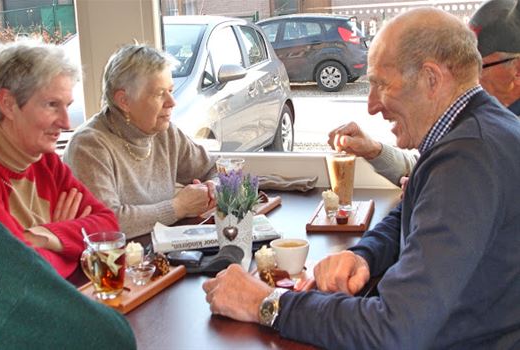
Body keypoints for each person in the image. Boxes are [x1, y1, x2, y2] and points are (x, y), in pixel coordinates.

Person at [203, 8, 520, 349]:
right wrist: (364, 256)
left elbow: (393, 330)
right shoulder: (475, 130)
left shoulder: (468, 158)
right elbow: (415, 208)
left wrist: (265, 304)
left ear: (431, 79)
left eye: (381, 84)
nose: (371, 106)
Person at [0, 41, 119, 278]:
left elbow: (108, 228)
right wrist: (75, 249)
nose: (66, 123)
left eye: (67, 106)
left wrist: (44, 235)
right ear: (8, 104)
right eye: (52, 105)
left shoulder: (44, 160)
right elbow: (21, 270)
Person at [329, 0, 520, 186]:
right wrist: (374, 151)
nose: (464, 79)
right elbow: (436, 168)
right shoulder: (480, 125)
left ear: (517, 70)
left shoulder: (483, 137)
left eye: (477, 67)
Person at [63, 44, 217, 239]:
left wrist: (213, 188)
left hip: (163, 257)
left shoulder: (165, 132)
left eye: (171, 90)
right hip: (116, 264)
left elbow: (215, 168)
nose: (172, 102)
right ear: (124, 101)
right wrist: (178, 207)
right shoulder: (88, 146)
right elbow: (106, 222)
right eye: (160, 93)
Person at [0, 202, 136, 349]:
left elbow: (109, 223)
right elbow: (112, 337)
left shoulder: (49, 164)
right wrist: (65, 245)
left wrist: (49, 235)